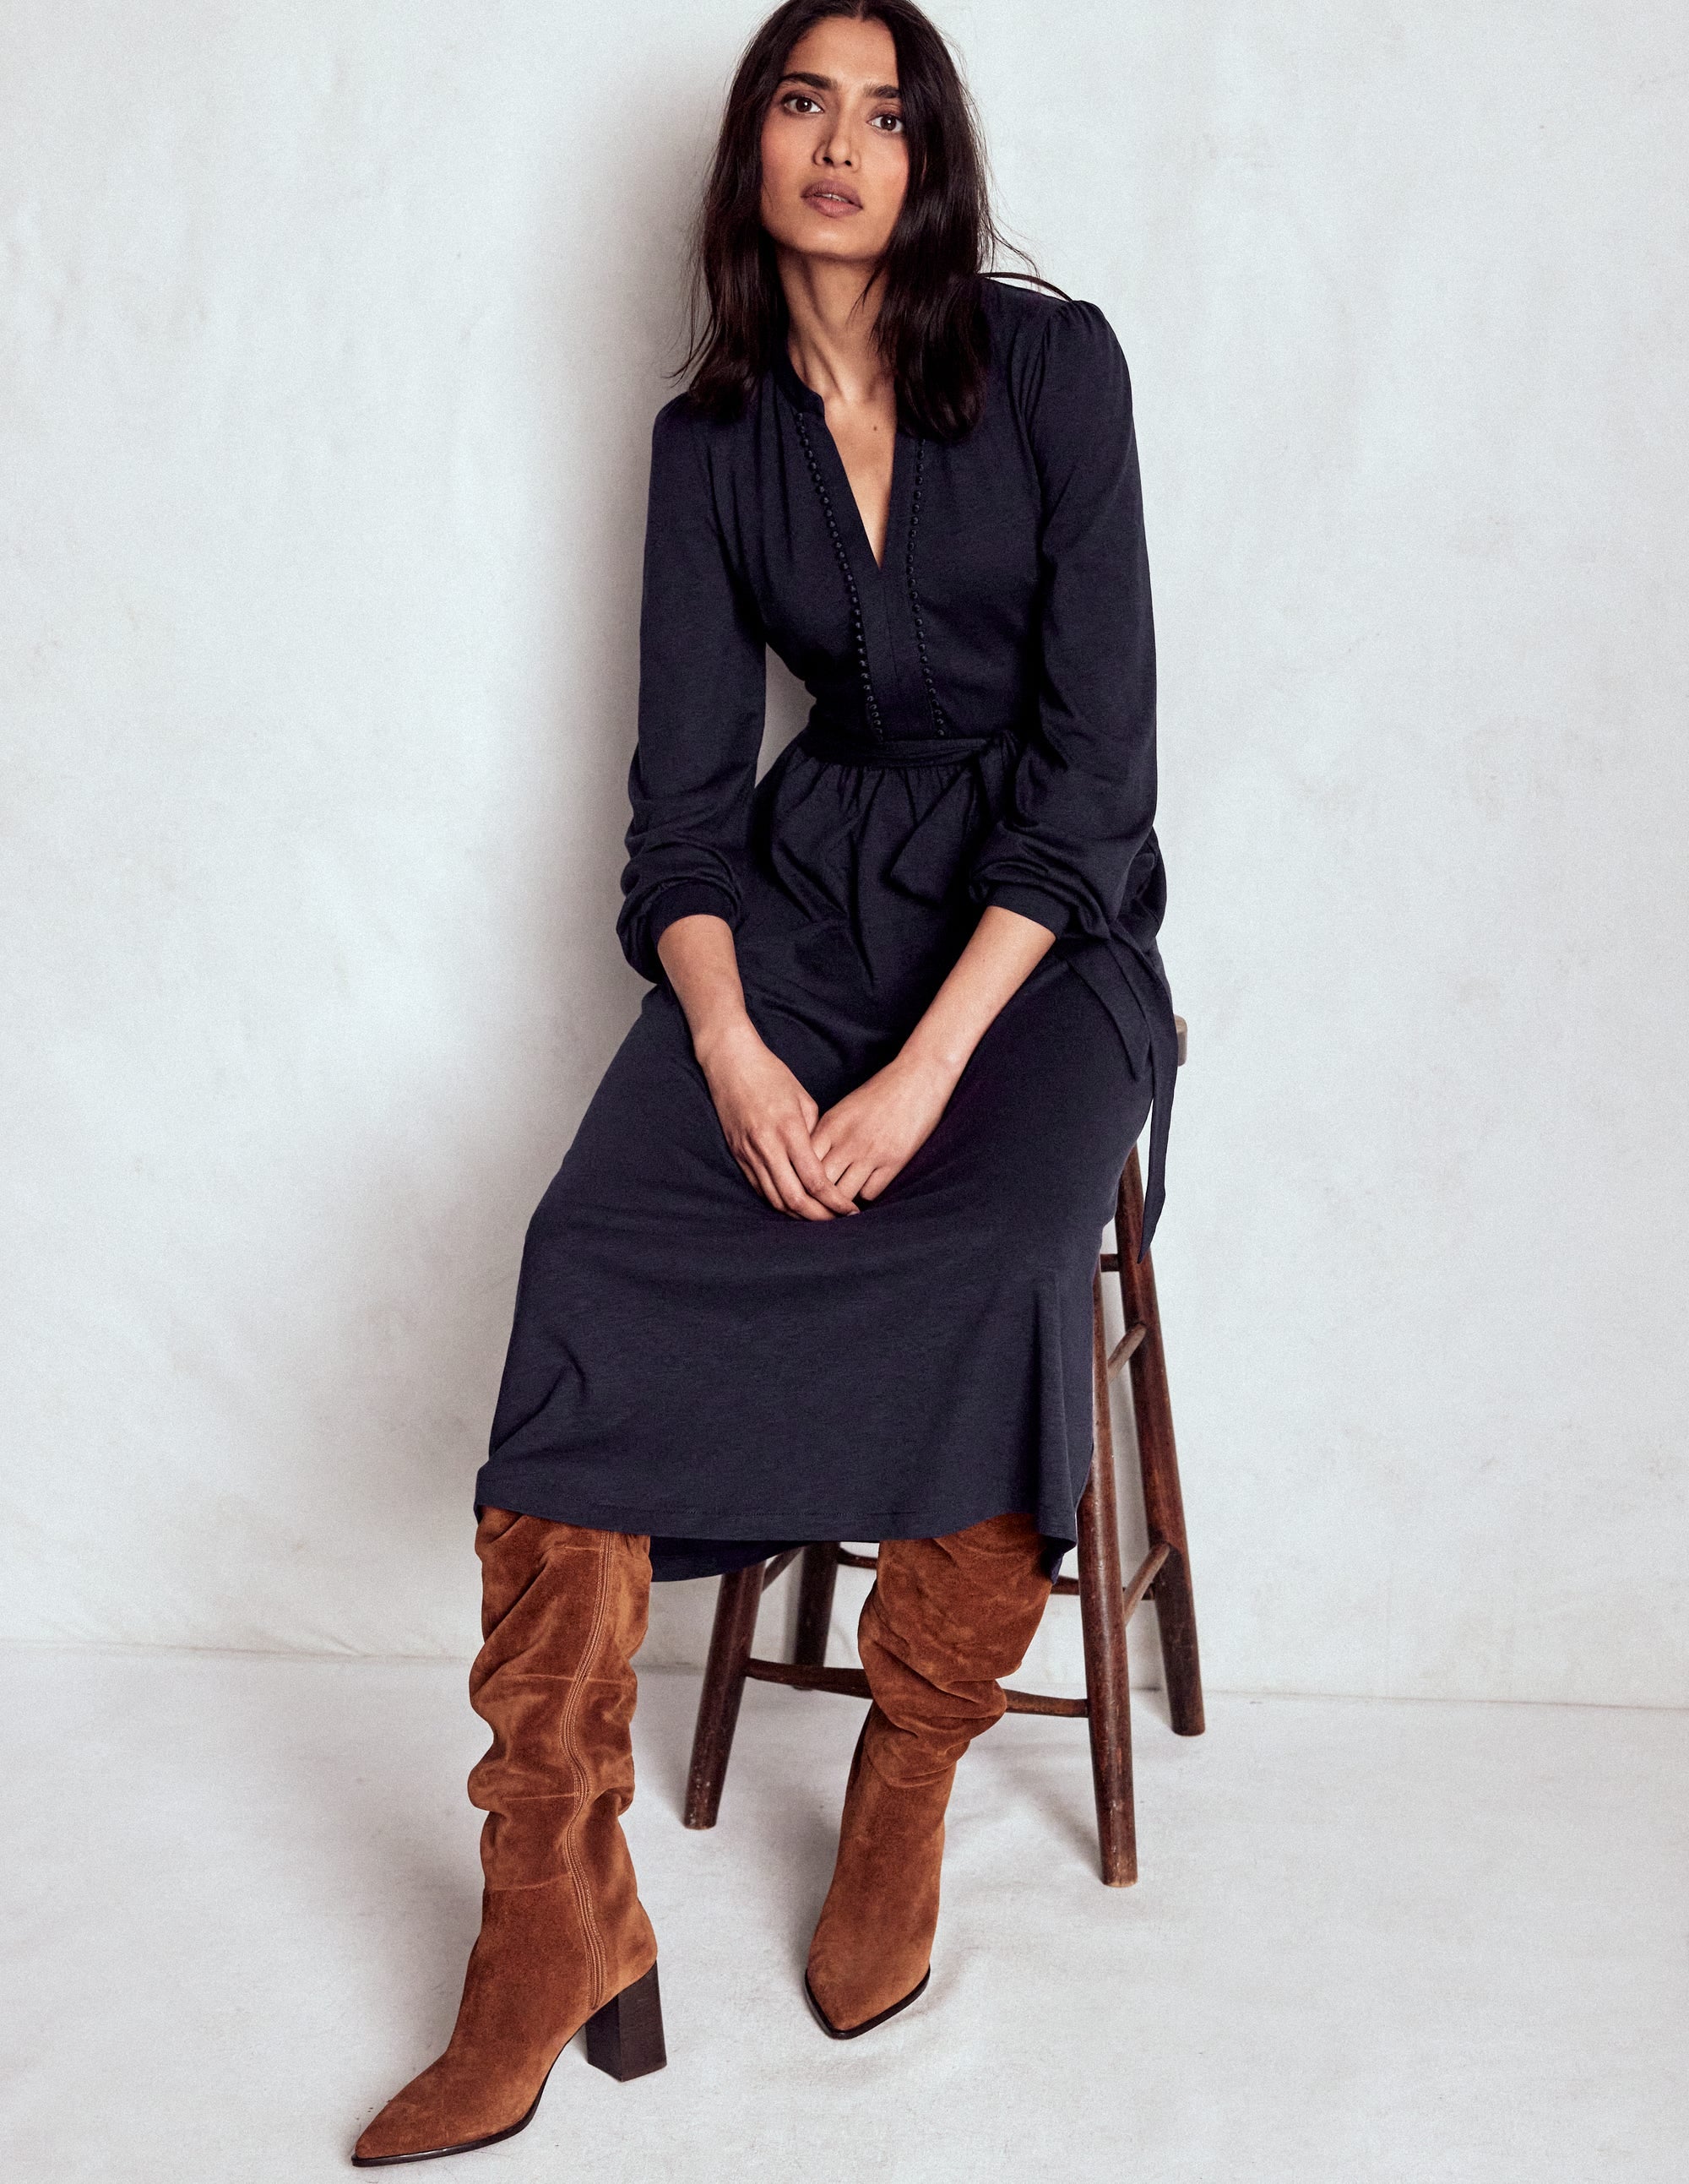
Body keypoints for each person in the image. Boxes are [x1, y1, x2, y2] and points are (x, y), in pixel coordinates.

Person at [350, 0, 1176, 2164]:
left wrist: (921, 1075)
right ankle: (549, 1908)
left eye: (884, 113)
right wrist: (728, 1044)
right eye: (802, 102)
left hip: (1036, 945)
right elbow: (684, 818)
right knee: (587, 1249)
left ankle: (906, 1770)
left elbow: (1097, 775)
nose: (840, 143)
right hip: (802, 920)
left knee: (994, 1254)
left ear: (930, 159)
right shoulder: (708, 438)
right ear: (752, 151)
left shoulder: (1053, 368)